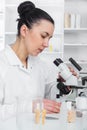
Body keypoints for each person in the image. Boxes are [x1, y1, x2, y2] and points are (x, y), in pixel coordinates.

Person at [0, 1, 77, 118]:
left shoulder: (39, 65)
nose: (46, 44)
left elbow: (48, 96)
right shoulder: (2, 63)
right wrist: (29, 107)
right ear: (24, 31)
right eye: (43, 36)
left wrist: (63, 87)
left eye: (49, 38)